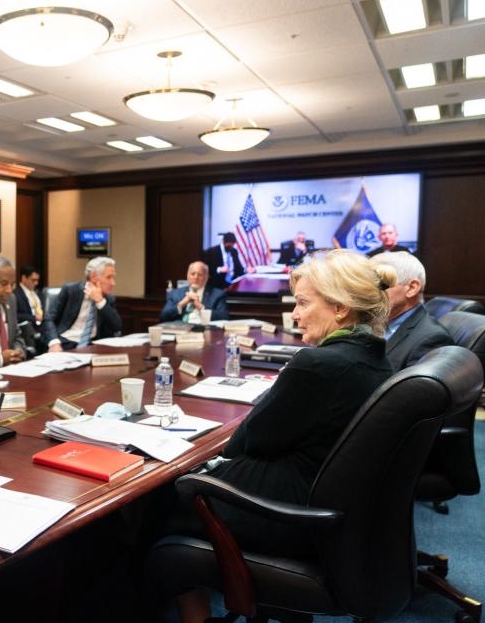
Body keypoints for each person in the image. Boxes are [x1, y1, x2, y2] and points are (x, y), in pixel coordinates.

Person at [163, 249, 396, 623]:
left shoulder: (319, 364)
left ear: (340, 309)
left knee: (164, 497)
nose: (296, 314)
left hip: (288, 514)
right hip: (333, 516)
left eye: (303, 303)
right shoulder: (376, 359)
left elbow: (245, 444)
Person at [370, 251, 452, 371]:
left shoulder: (432, 339)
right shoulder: (371, 322)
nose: (369, 293)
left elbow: (409, 388)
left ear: (412, 288)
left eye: (380, 285)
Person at [43, 256, 122, 352]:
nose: (113, 283)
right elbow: (49, 318)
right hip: (65, 342)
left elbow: (116, 327)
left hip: (92, 346)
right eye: (109, 277)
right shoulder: (71, 290)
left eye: (113, 277)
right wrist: (54, 343)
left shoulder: (107, 299)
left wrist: (100, 301)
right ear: (93, 276)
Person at [159, 261, 229, 323]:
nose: (196, 277)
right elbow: (163, 317)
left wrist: (201, 307)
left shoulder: (217, 294)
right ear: (187, 276)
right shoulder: (175, 293)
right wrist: (181, 305)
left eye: (200, 275)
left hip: (204, 331)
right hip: (180, 330)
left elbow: (224, 317)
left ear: (206, 277)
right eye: (193, 274)